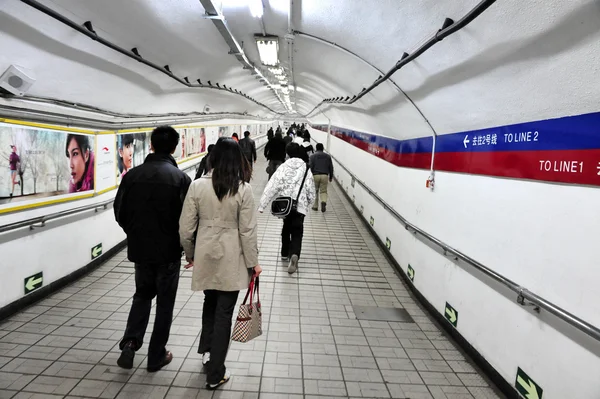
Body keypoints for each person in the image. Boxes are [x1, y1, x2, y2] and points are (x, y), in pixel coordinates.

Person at [179, 137, 262, 390]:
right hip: (231, 258)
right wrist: (254, 263)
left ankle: (206, 353)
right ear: (238, 160)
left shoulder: (197, 187)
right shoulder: (243, 189)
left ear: (213, 158)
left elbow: (185, 228)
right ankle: (216, 372)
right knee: (224, 312)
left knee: (210, 302)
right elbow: (247, 232)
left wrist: (190, 253)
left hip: (205, 254)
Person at [114, 126, 192, 373]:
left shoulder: (132, 176)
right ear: (174, 147)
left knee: (142, 295)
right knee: (165, 304)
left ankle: (130, 343)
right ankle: (156, 355)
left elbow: (120, 211)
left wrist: (135, 234)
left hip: (141, 251)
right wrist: (184, 245)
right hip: (169, 253)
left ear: (151, 145)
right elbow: (188, 220)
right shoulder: (180, 179)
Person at [259, 143, 315, 274]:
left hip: (286, 205)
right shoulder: (306, 168)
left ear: (288, 154)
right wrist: (309, 203)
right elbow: (311, 190)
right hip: (300, 207)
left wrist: (262, 204)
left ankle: (284, 253)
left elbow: (272, 185)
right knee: (297, 231)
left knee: (286, 228)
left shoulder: (283, 167)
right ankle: (294, 254)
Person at [309, 143, 334, 213]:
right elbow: (331, 167)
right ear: (323, 148)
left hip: (315, 175)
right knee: (323, 191)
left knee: (315, 191)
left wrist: (309, 176)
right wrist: (331, 176)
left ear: (316, 148)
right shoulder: (328, 156)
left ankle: (315, 206)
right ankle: (323, 201)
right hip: (325, 175)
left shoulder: (312, 156)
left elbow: (310, 166)